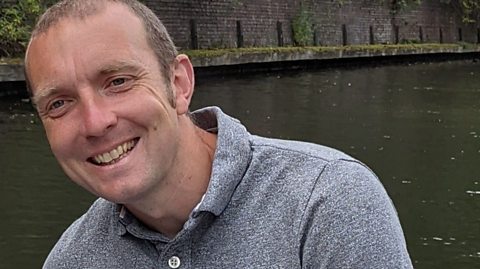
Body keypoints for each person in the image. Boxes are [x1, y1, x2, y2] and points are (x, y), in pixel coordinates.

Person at [24, 0, 413, 268]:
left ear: (178, 84)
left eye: (119, 81)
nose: (95, 122)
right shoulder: (71, 260)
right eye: (59, 104)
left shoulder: (327, 204)